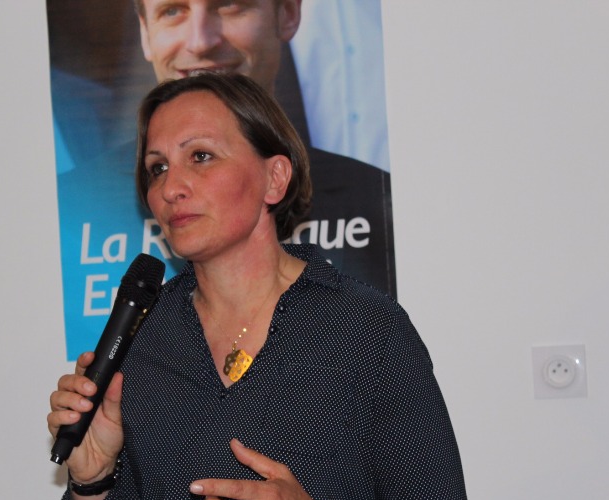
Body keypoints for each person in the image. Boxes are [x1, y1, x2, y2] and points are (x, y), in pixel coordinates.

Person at [48, 72, 475, 500]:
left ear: (275, 178)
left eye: (200, 156)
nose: (170, 188)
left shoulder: (366, 329)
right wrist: (92, 478)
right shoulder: (142, 339)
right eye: (157, 168)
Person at [51, 0, 394, 357]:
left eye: (229, 5)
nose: (200, 41)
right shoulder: (68, 213)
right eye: (173, 11)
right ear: (144, 31)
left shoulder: (378, 210)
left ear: (288, 13)